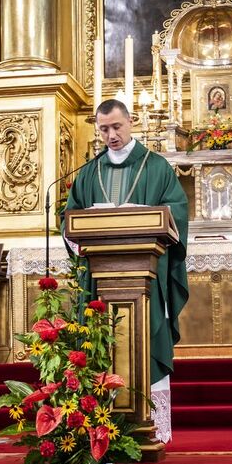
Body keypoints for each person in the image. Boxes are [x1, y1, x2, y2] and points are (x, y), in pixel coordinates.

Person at [63, 99, 190, 443]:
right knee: (99, 345)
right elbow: (70, 219)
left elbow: (176, 212)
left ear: (131, 122)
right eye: (103, 129)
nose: (111, 135)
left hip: (146, 281)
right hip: (102, 282)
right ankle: (105, 429)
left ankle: (148, 426)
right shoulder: (89, 171)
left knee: (146, 342)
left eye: (117, 126)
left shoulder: (157, 167)